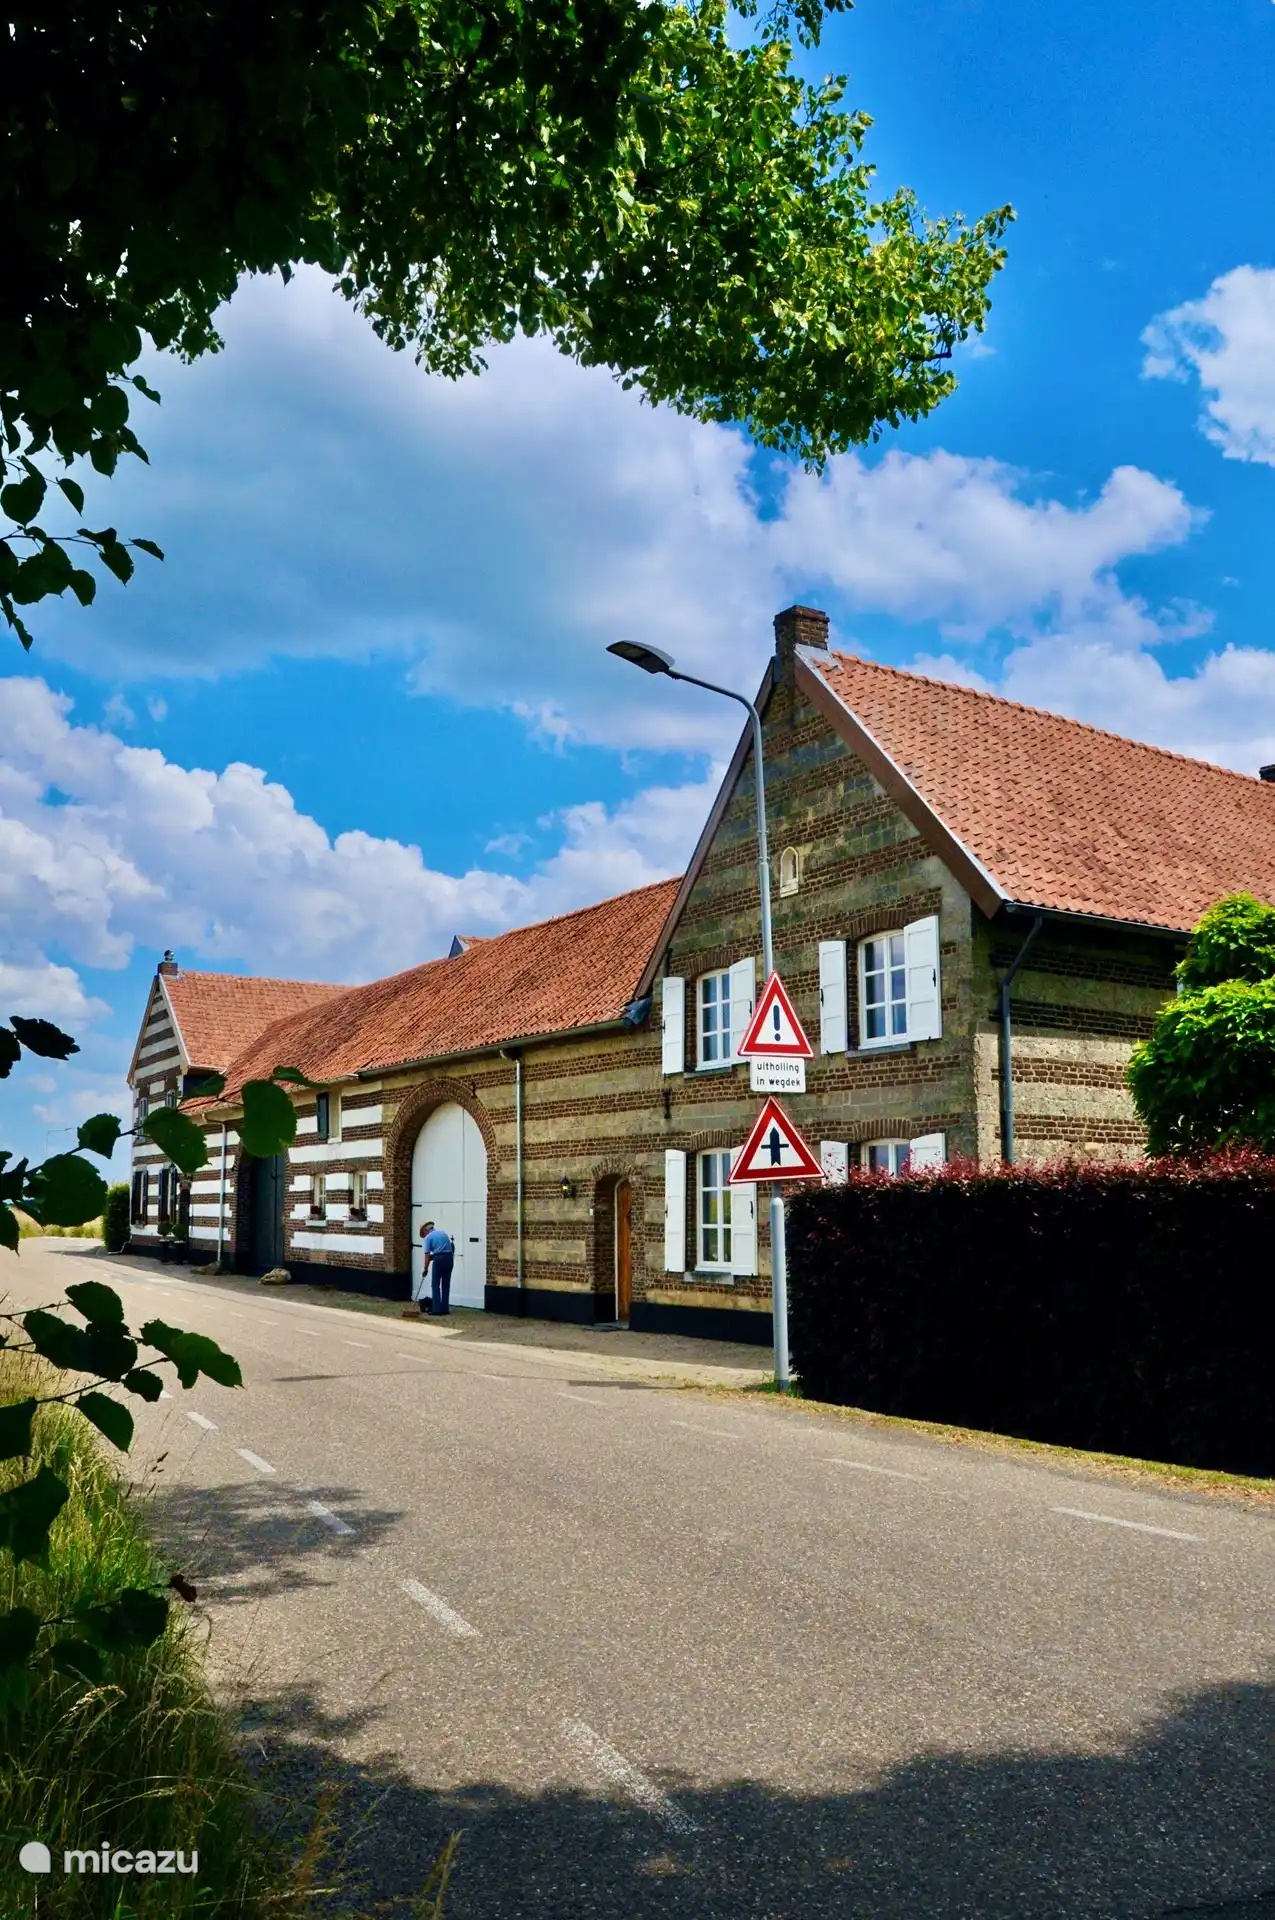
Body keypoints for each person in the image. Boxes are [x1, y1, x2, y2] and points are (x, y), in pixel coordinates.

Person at [419, 1219, 455, 1316]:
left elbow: (427, 1255)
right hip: (449, 1258)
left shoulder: (428, 1237)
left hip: (439, 1259)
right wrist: (434, 1257)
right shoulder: (443, 1233)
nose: (424, 1236)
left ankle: (437, 1309)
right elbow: (446, 1249)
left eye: (423, 1234)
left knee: (435, 1284)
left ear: (425, 1231)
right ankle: (445, 1308)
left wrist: (425, 1269)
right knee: (446, 1284)